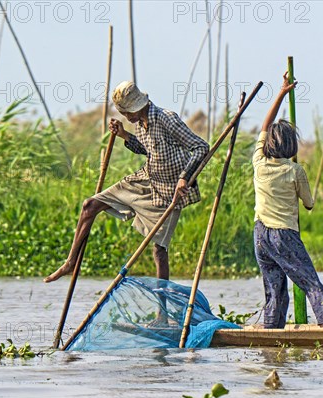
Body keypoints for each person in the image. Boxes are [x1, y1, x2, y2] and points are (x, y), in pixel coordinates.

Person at [44, 81, 209, 284]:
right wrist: (124, 135)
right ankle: (70, 262)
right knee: (90, 206)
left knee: (159, 250)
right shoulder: (139, 123)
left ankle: (162, 310)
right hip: (146, 180)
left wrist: (184, 177)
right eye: (124, 112)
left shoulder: (167, 118)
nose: (126, 116)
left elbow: (201, 147)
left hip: (170, 191)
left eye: (128, 112)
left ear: (140, 105)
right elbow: (147, 149)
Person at [252, 73, 323, 329]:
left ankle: (270, 338)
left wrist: (281, 93)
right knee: (313, 285)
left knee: (275, 293)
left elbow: (265, 125)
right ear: (291, 146)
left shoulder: (258, 162)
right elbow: (309, 204)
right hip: (283, 235)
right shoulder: (295, 171)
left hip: (259, 235)